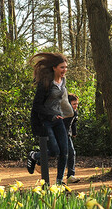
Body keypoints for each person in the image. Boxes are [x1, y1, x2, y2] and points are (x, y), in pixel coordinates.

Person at [25, 52, 73, 185]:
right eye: (62, 67)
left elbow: (62, 101)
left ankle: (59, 181)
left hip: (58, 120)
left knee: (65, 151)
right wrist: (50, 115)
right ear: (54, 68)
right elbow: (37, 106)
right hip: (46, 121)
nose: (65, 70)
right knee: (54, 151)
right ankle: (34, 155)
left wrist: (68, 113)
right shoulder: (45, 83)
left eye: (66, 67)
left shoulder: (63, 81)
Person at [64, 93, 80, 183]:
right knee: (56, 152)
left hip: (67, 134)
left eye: (77, 104)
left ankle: (71, 175)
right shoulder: (65, 112)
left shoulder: (74, 112)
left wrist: (74, 133)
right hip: (61, 134)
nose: (76, 106)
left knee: (72, 153)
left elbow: (73, 123)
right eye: (74, 104)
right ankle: (38, 159)